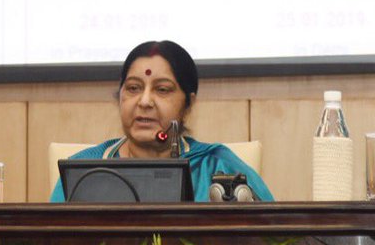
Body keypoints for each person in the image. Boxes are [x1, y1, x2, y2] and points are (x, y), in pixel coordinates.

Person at [50, 40, 274, 202]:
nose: (145, 101)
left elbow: (274, 241)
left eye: (162, 89)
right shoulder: (84, 169)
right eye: (133, 88)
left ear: (188, 103)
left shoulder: (217, 166)